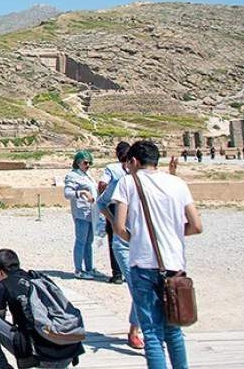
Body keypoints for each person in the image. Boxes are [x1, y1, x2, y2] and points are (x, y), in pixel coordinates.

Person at [113, 140, 203, 369]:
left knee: (152, 334)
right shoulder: (178, 183)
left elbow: (119, 227)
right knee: (174, 330)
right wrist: (171, 234)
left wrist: (138, 239)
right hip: (174, 265)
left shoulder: (127, 182)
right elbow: (196, 226)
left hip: (142, 264)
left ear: (133, 161)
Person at [0, 249, 83, 369]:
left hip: (40, 355)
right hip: (69, 351)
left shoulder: (3, 285)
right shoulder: (41, 279)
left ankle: (2, 367)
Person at [96, 142, 144, 349]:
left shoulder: (149, 182)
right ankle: (137, 331)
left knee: (143, 288)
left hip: (144, 243)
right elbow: (100, 202)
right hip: (125, 244)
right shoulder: (121, 183)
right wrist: (115, 223)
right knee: (138, 288)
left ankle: (139, 330)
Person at [64, 150, 101, 279]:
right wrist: (81, 193)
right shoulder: (72, 176)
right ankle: (78, 269)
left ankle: (89, 267)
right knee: (81, 241)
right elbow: (67, 193)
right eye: (86, 163)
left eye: (89, 163)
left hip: (91, 212)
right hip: (81, 212)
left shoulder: (87, 175)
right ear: (78, 162)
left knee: (89, 241)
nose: (88, 165)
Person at [97, 143, 128, 285]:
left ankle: (117, 273)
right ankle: (129, 272)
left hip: (114, 205)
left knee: (114, 240)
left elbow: (102, 183)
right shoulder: (132, 168)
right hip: (131, 206)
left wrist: (102, 196)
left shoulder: (112, 168)